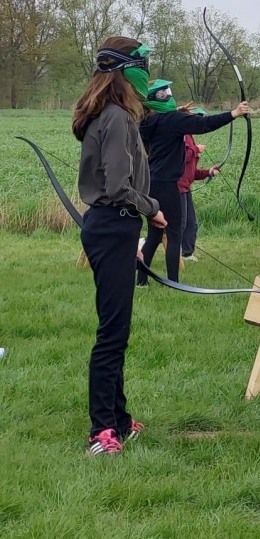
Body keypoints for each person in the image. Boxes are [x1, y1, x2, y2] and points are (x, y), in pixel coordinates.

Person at [72, 37, 168, 455]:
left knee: (118, 328)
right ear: (130, 71)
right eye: (144, 66)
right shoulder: (116, 118)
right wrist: (152, 209)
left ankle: (121, 420)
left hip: (116, 227)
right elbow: (116, 186)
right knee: (112, 333)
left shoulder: (110, 115)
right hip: (113, 225)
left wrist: (136, 224)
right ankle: (101, 431)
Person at [136, 81, 247, 286]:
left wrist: (178, 112)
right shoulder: (173, 120)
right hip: (169, 186)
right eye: (163, 94)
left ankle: (141, 281)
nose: (168, 95)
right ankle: (173, 283)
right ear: (153, 99)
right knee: (174, 234)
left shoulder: (146, 121)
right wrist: (235, 113)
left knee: (154, 235)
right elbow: (205, 124)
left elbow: (163, 121)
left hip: (151, 184)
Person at [178, 108, 217, 260]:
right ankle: (173, 253)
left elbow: (191, 172)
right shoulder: (182, 135)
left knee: (191, 224)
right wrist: (196, 149)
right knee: (178, 225)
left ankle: (186, 253)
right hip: (176, 187)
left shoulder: (189, 136)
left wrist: (208, 172)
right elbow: (180, 156)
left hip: (185, 187)